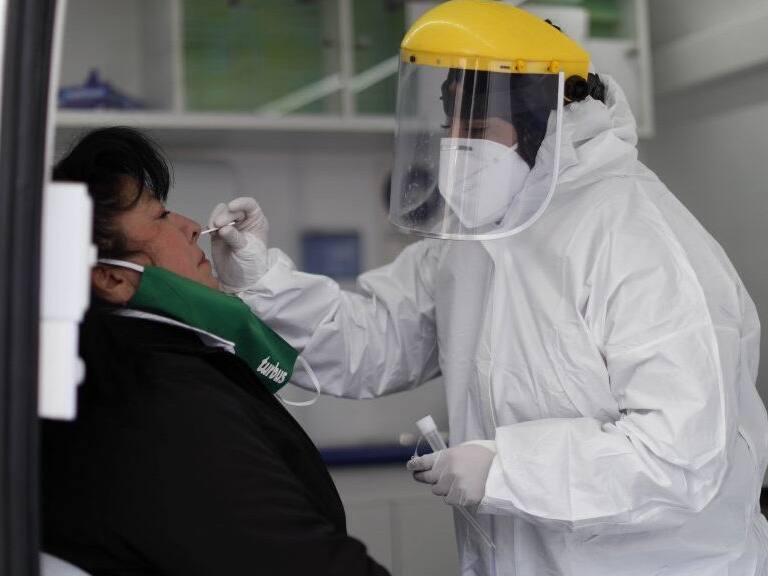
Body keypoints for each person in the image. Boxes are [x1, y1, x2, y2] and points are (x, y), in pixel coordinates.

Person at [205, 2, 768, 575]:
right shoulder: (475, 240)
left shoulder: (638, 244)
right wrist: (264, 281)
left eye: (475, 130)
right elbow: (371, 341)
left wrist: (504, 468)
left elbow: (681, 460)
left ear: (541, 125)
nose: (454, 146)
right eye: (448, 126)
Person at [41, 127, 389, 576]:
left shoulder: (130, 365)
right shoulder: (161, 397)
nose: (191, 226)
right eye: (161, 215)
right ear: (111, 279)